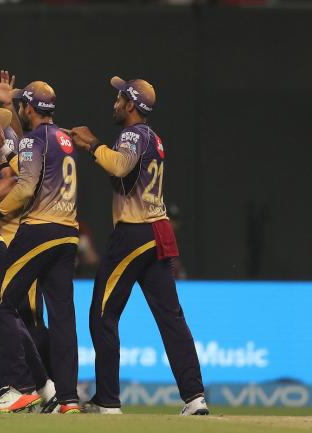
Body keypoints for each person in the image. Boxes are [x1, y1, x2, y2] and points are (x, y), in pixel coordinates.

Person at [68, 76, 208, 416]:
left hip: (134, 232)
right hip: (157, 231)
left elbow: (120, 165)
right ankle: (195, 397)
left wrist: (92, 144)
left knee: (102, 314)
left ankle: (107, 401)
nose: (114, 103)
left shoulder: (132, 134)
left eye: (119, 98)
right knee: (171, 318)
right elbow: (126, 173)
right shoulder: (153, 138)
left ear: (131, 105)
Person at [0, 81, 81, 414]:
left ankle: (20, 387)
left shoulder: (34, 139)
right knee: (62, 317)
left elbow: (24, 188)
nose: (20, 108)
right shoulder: (63, 139)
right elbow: (35, 169)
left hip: (39, 229)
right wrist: (6, 152)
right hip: (68, 232)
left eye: (22, 104)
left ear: (29, 109)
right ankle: (68, 398)